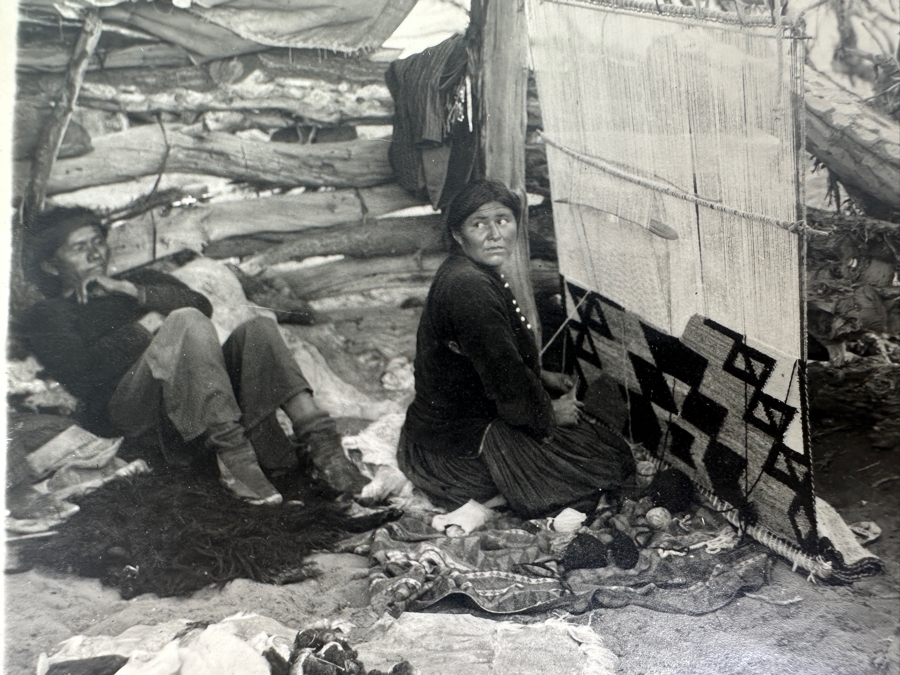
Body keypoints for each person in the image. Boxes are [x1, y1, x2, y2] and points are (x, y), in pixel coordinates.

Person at [20, 207, 367, 506]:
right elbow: (83, 376)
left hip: (191, 398)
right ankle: (235, 463)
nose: (96, 254)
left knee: (258, 329)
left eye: (98, 241)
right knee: (183, 321)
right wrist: (151, 326)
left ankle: (326, 450)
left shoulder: (136, 282)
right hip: (129, 411)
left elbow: (202, 304)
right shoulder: (50, 314)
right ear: (51, 265)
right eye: (80, 248)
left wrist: (133, 291)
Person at [399, 180, 636, 519]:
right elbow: (503, 377)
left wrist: (540, 376)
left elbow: (489, 357)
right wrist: (549, 413)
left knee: (602, 451)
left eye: (503, 220)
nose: (494, 234)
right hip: (456, 450)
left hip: (446, 432)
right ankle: (492, 491)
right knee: (607, 464)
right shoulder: (469, 287)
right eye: (479, 223)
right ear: (457, 233)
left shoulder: (471, 272)